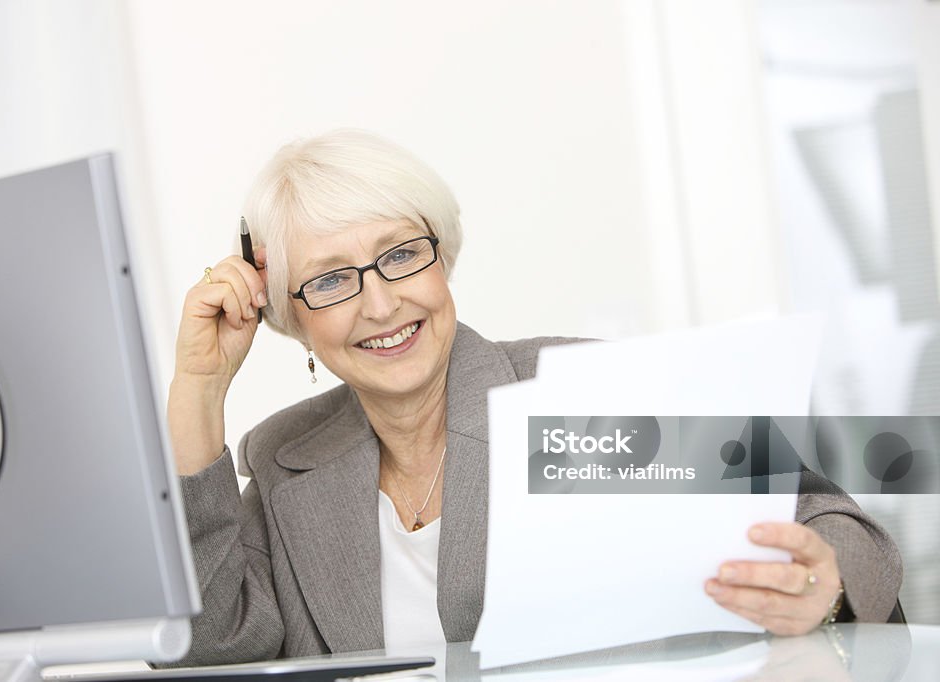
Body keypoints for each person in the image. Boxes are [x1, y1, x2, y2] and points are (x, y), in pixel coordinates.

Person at [164, 129, 903, 666]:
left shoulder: (576, 391)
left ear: (441, 255)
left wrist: (824, 584)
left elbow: (836, 523)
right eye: (329, 279)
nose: (381, 303)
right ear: (289, 317)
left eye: (400, 255)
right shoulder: (287, 459)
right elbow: (211, 643)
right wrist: (200, 390)